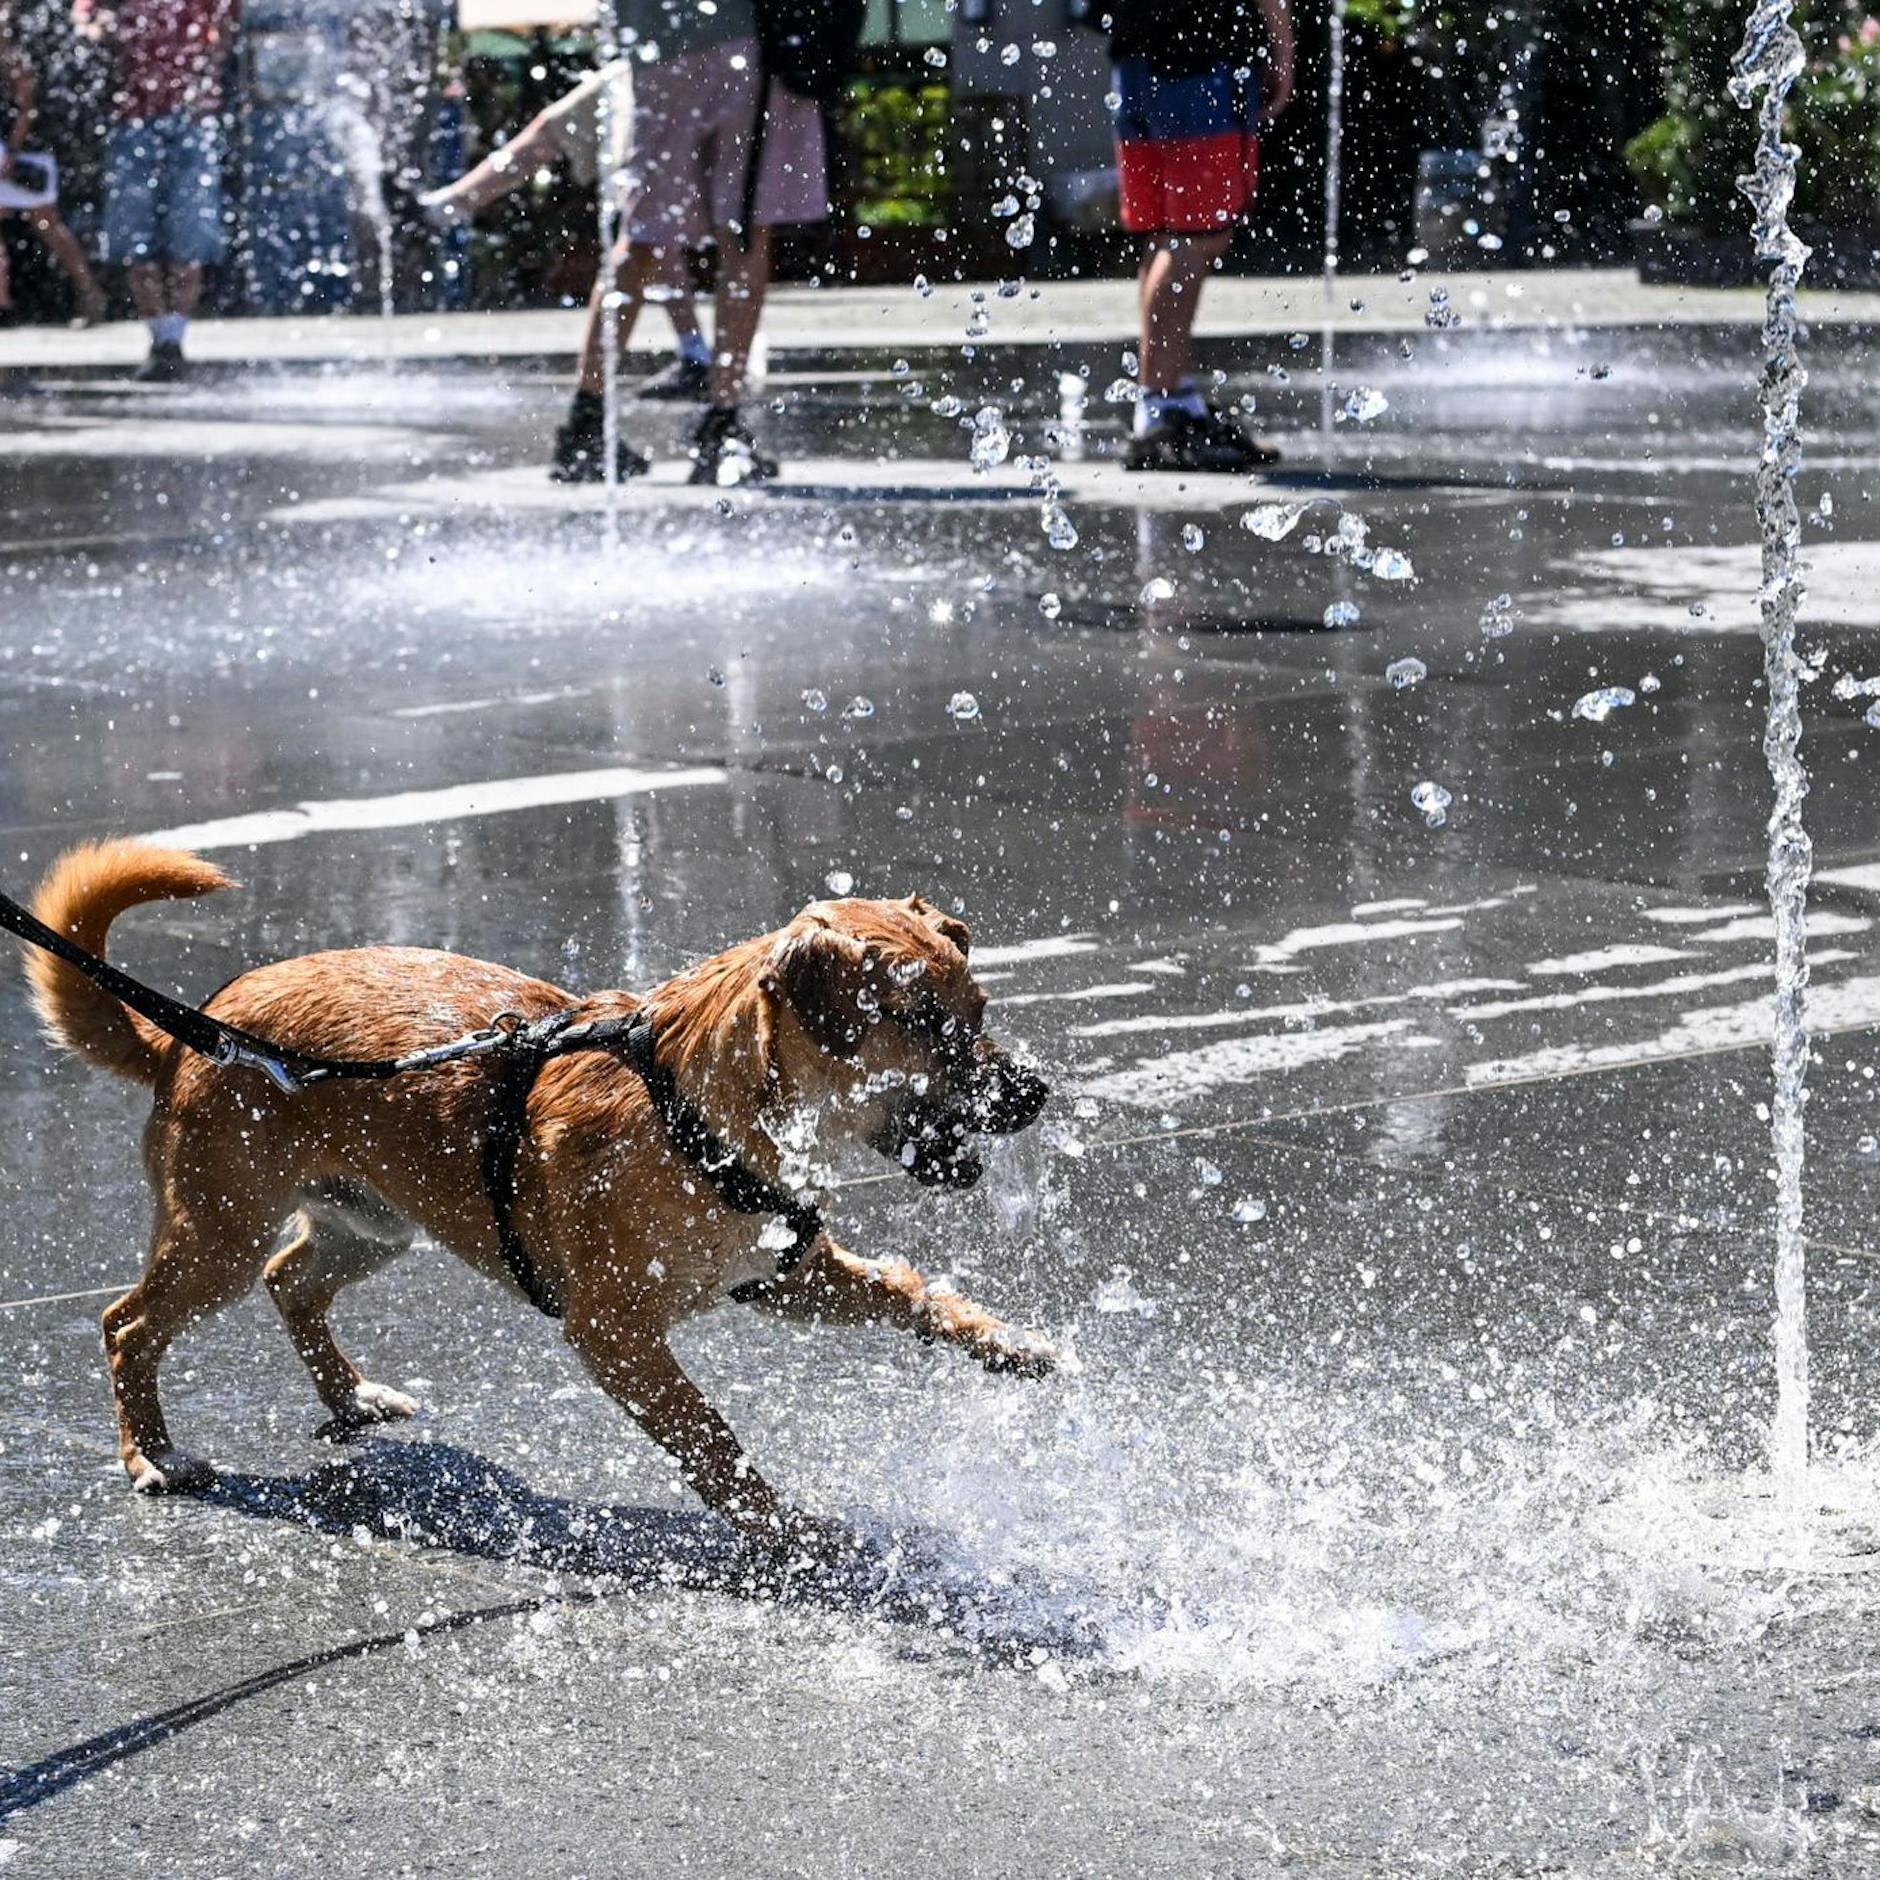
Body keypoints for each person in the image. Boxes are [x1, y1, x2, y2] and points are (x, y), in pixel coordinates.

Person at [550, 0, 837, 486]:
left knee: (643, 237)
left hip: (656, 44)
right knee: (743, 233)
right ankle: (721, 421)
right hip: (749, 39)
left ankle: (587, 419)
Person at [417, 59, 714, 401]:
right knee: (644, 224)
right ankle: (693, 356)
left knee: (645, 227)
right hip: (655, 62)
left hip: (681, 60)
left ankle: (604, 402)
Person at [1096, 0, 1295, 472]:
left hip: (1135, 66)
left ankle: (1168, 402)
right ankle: (1161, 409)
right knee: (1196, 238)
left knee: (1165, 236)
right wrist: (1282, 51)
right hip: (1199, 65)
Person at [101, 0, 237, 382]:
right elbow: (87, 20)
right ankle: (161, 338)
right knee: (134, 237)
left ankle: (174, 339)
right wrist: (108, 28)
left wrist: (208, 77)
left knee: (190, 234)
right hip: (133, 120)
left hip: (192, 120)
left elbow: (225, 25)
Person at [0, 15, 107, 327]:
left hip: (24, 157)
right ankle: (4, 302)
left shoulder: (17, 61)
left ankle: (90, 293)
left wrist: (14, 153)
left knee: (49, 227)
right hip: (11, 154)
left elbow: (27, 108)